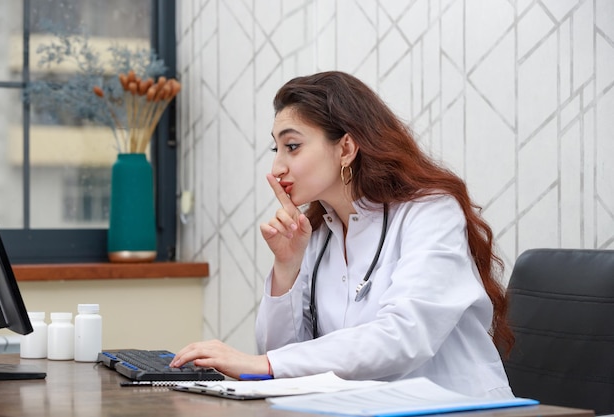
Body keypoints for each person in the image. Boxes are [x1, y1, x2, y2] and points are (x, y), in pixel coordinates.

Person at [171, 71, 514, 399]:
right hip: (366, 407)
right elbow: (279, 357)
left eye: (292, 146)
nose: (277, 169)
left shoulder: (430, 211)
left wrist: (267, 364)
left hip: (456, 406)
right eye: (276, 150)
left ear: (346, 148)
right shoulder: (319, 232)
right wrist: (286, 267)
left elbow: (403, 337)